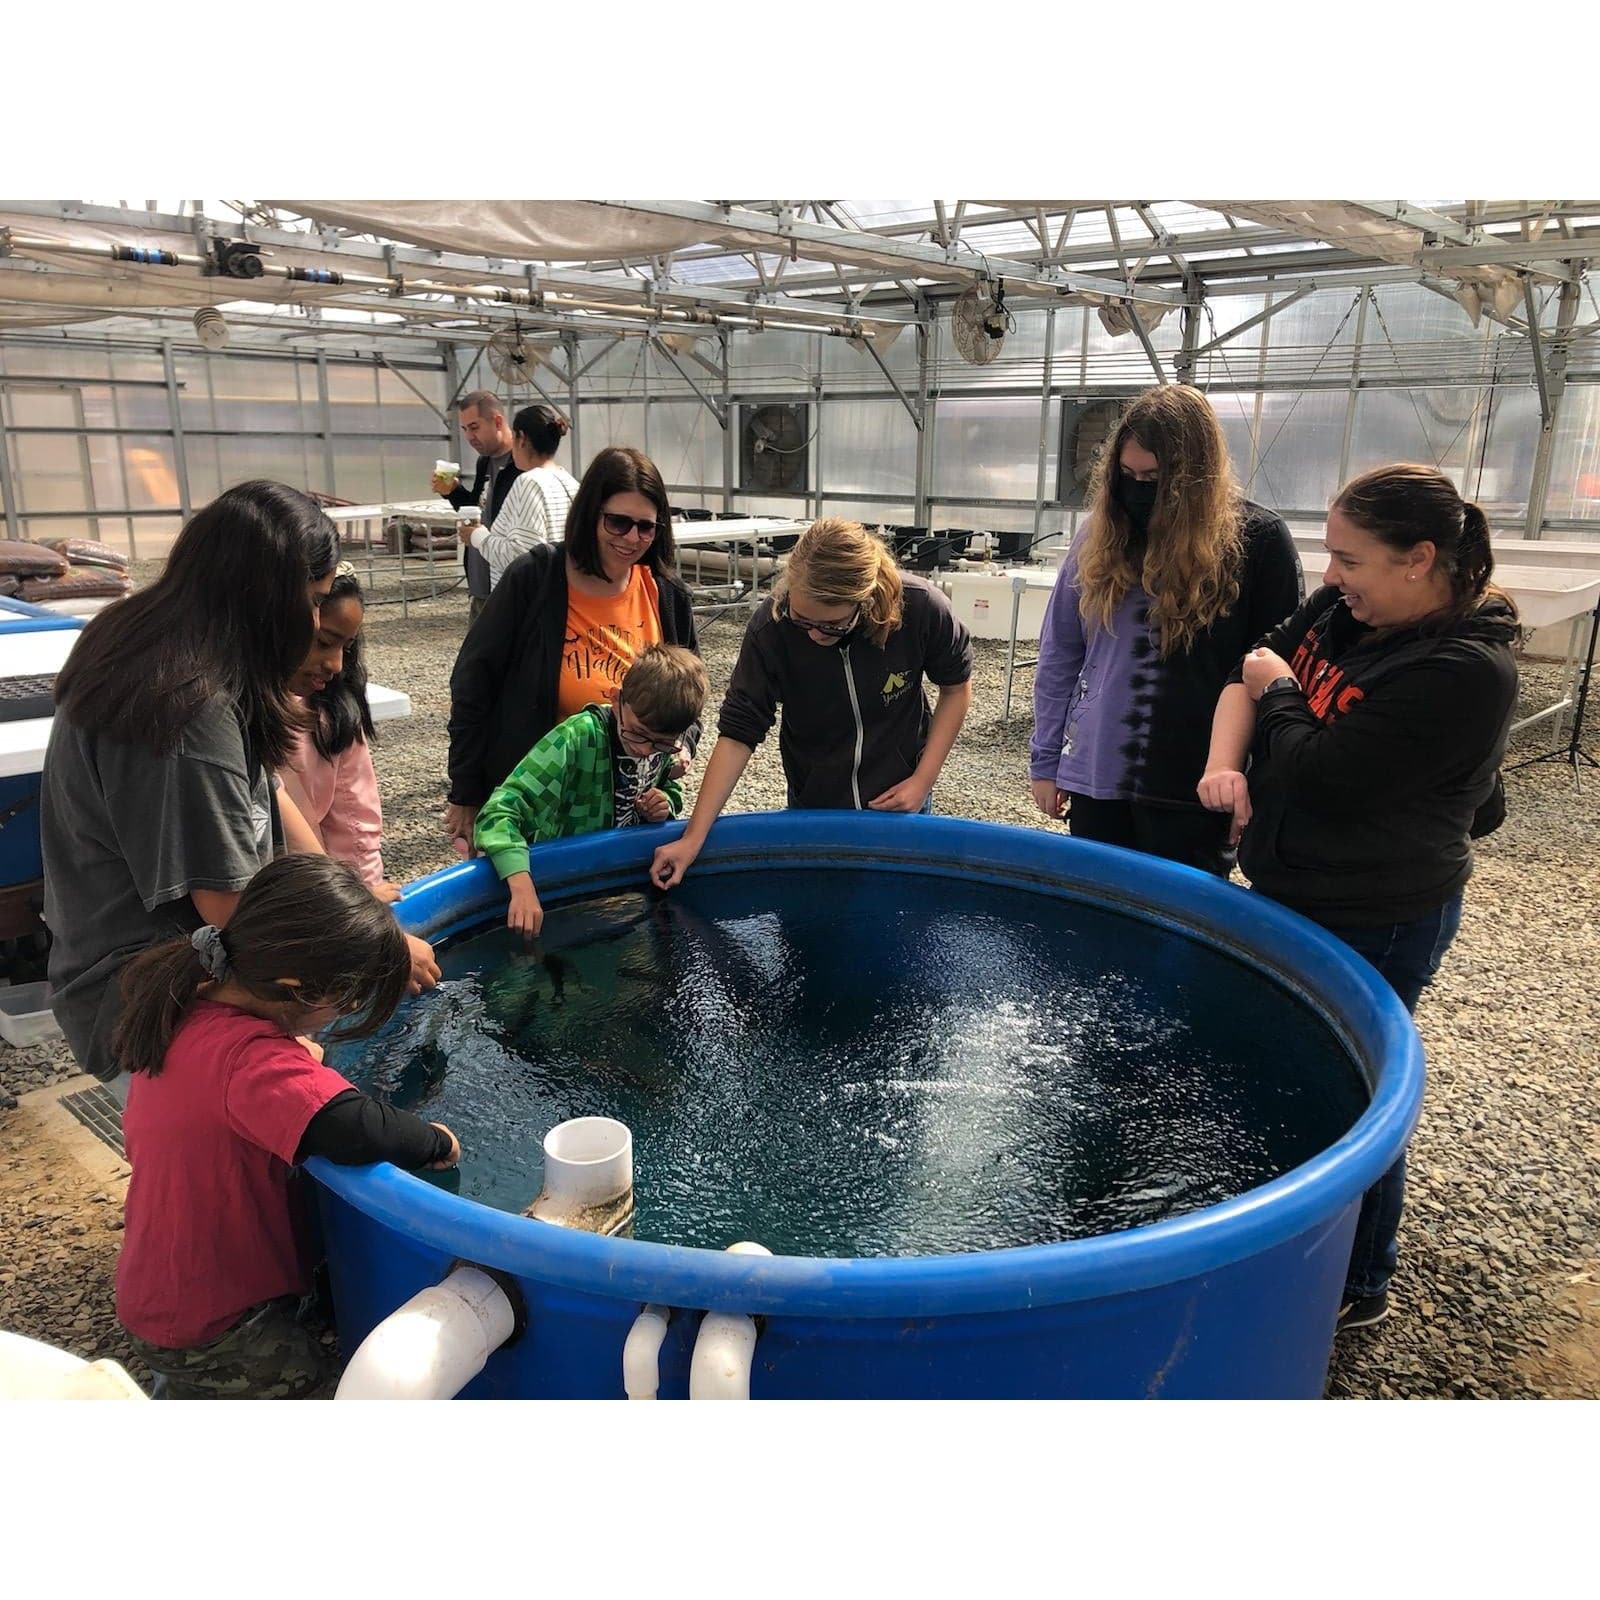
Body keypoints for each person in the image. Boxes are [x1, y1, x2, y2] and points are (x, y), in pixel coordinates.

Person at [1197, 463, 1519, 1332]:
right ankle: (1294, 1244)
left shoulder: (1463, 669)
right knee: (1289, 1077)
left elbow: (1320, 772)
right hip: (1299, 882)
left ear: (1419, 559)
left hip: (1379, 913)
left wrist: (1283, 695)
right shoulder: (1349, 612)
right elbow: (1252, 666)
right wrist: (1240, 744)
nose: (1331, 576)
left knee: (1353, 1095)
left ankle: (1355, 1281)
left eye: (1351, 558)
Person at [43, 482, 439, 1104]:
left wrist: (352, 893)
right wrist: (377, 948)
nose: (315, 623)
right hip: (149, 1005)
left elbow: (270, 795)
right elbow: (233, 910)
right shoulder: (187, 704)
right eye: (310, 602)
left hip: (137, 970)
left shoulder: (156, 640)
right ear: (264, 597)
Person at [111, 854, 461, 1400]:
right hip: (207, 1325)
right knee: (313, 1379)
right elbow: (352, 1127)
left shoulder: (191, 996)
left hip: (162, 1286)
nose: (349, 1009)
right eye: (346, 998)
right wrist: (435, 1141)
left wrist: (293, 1048)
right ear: (296, 989)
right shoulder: (251, 1064)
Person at [1029, 384, 1302, 875]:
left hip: (1195, 783)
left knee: (1178, 927)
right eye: (1128, 476)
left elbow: (1276, 675)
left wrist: (1259, 786)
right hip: (1099, 775)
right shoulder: (1098, 535)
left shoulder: (1257, 541)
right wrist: (1046, 761)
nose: (1138, 491)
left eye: (1154, 478)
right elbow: (1060, 652)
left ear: (1193, 479)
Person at [650, 518, 974, 891]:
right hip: (815, 802)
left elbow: (956, 688)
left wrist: (922, 780)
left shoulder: (921, 608)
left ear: (865, 599)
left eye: (833, 625)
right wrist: (693, 837)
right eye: (802, 620)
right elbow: (738, 734)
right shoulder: (771, 627)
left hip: (901, 799)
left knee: (899, 908)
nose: (816, 634)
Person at [446, 446, 700, 858]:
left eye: (646, 527)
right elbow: (474, 681)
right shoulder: (536, 578)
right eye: (618, 522)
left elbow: (689, 690)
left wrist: (682, 744)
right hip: (538, 803)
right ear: (590, 514)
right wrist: (466, 791)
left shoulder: (665, 593)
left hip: (626, 808)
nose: (632, 538)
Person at [475, 644, 708, 938]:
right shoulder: (575, 739)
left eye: (661, 744)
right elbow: (497, 812)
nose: (645, 750)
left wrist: (665, 803)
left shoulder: (657, 745)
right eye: (637, 734)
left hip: (618, 887)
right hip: (559, 886)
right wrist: (521, 885)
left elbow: (666, 786)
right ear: (615, 698)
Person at [280, 565, 399, 899]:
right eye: (323, 642)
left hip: (314, 896)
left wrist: (361, 894)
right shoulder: (227, 716)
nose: (335, 664)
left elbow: (353, 816)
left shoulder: (331, 712)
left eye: (345, 648)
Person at [462, 404, 578, 591]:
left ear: (521, 438)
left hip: (527, 605)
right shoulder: (571, 483)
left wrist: (478, 536)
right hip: (560, 594)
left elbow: (522, 557)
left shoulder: (529, 482)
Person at [431, 389, 520, 622]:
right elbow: (478, 511)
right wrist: (453, 492)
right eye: (464, 430)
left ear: (498, 421)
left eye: (474, 427)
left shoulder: (521, 465)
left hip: (508, 589)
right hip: (481, 584)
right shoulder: (485, 462)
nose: (469, 437)